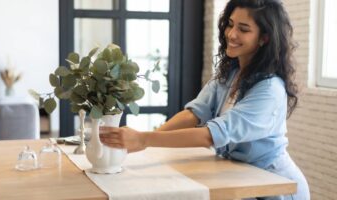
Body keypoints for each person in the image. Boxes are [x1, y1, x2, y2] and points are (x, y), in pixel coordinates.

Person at [99, 0, 310, 199]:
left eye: (243, 29)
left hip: (276, 187)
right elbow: (193, 114)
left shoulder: (270, 90)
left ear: (264, 38)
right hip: (241, 178)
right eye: (230, 24)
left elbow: (211, 135)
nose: (232, 34)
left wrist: (144, 139)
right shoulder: (231, 73)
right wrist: (146, 141)